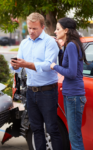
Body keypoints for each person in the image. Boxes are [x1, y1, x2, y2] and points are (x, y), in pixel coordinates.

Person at [10, 12, 63, 150]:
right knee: (35, 128)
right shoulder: (24, 43)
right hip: (30, 91)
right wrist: (14, 65)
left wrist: (26, 64)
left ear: (43, 27)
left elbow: (47, 65)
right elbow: (17, 67)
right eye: (29, 28)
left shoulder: (50, 42)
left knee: (52, 128)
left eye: (35, 28)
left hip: (47, 92)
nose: (31, 31)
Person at [50, 17, 87, 150]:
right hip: (72, 95)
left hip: (74, 96)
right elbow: (68, 66)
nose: (55, 31)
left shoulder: (72, 45)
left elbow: (71, 73)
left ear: (66, 30)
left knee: (74, 136)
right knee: (74, 135)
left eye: (58, 29)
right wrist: (61, 48)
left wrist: (54, 66)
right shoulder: (71, 44)